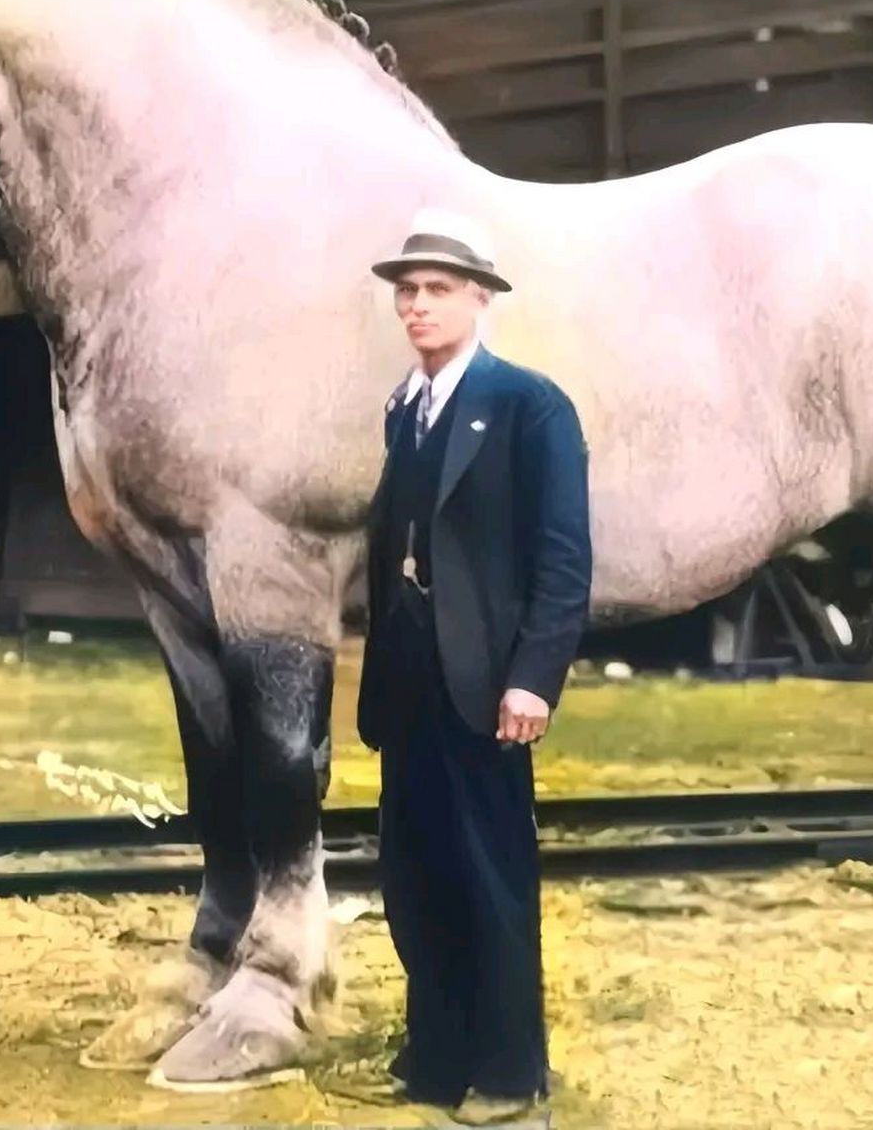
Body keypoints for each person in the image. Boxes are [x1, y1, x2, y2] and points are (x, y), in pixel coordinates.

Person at [357, 209, 592, 1124]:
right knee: (416, 873)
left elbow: (563, 558)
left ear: (481, 299)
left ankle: (508, 1074)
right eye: (405, 293)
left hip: (489, 684)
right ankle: (435, 1057)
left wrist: (533, 676)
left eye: (437, 290)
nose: (416, 307)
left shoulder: (530, 405)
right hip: (409, 681)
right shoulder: (403, 410)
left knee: (492, 876)